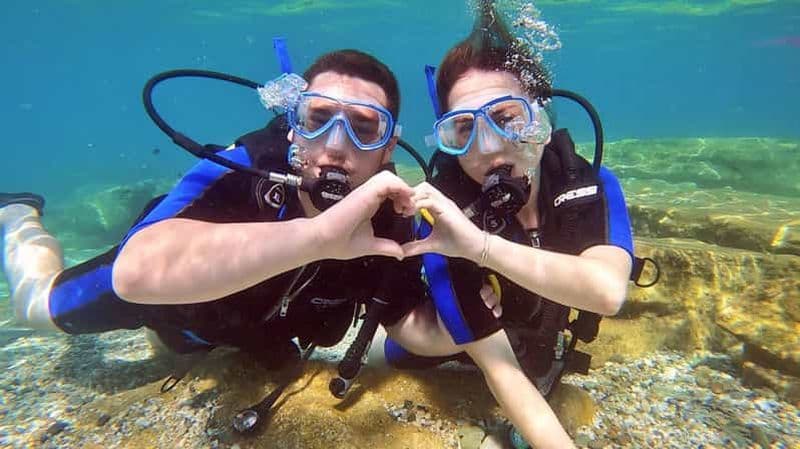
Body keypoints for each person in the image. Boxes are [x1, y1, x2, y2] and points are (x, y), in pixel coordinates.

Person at [0, 49, 424, 368]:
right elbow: (133, 273)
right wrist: (316, 239)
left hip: (250, 334)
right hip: (167, 304)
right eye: (318, 119)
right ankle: (18, 214)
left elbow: (409, 322)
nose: (336, 145)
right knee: (34, 306)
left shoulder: (392, 220)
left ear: (387, 148)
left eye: (365, 129)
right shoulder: (244, 166)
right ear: (293, 129)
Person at [380, 3, 635, 448]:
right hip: (444, 339)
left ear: (541, 120)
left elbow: (607, 292)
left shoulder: (590, 184)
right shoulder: (443, 210)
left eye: (507, 118)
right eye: (463, 129)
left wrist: (479, 247)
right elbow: (496, 365)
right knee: (403, 356)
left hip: (525, 327)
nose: (491, 148)